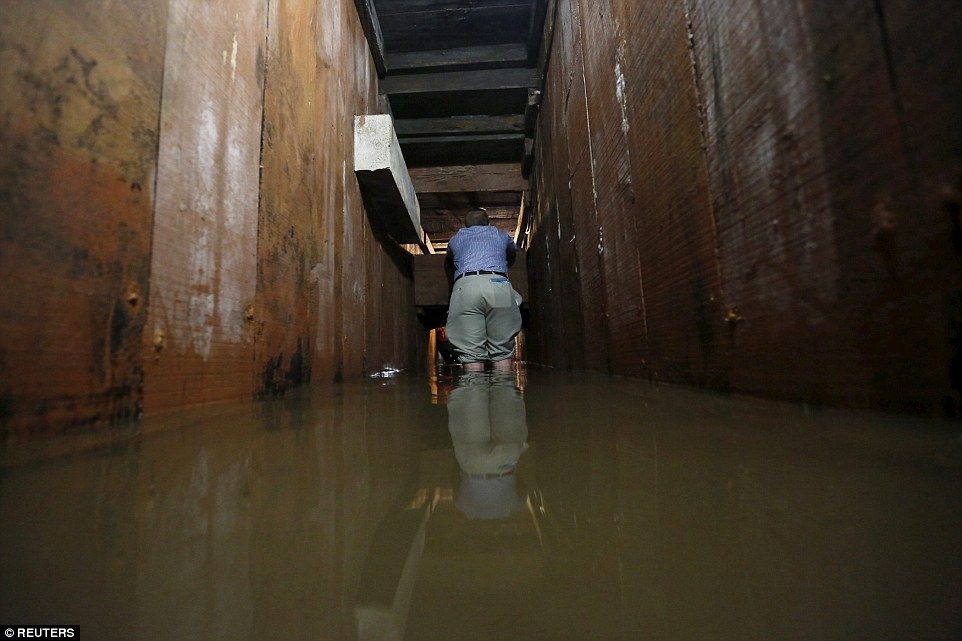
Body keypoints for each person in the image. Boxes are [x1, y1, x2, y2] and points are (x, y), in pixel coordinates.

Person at [444, 208, 522, 371]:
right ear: (487, 222)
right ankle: (504, 390)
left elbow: (450, 257)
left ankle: (474, 391)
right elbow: (513, 252)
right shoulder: (499, 234)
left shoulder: (457, 238)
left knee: (471, 353)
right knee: (502, 350)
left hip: (466, 286)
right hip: (497, 282)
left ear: (466, 225)